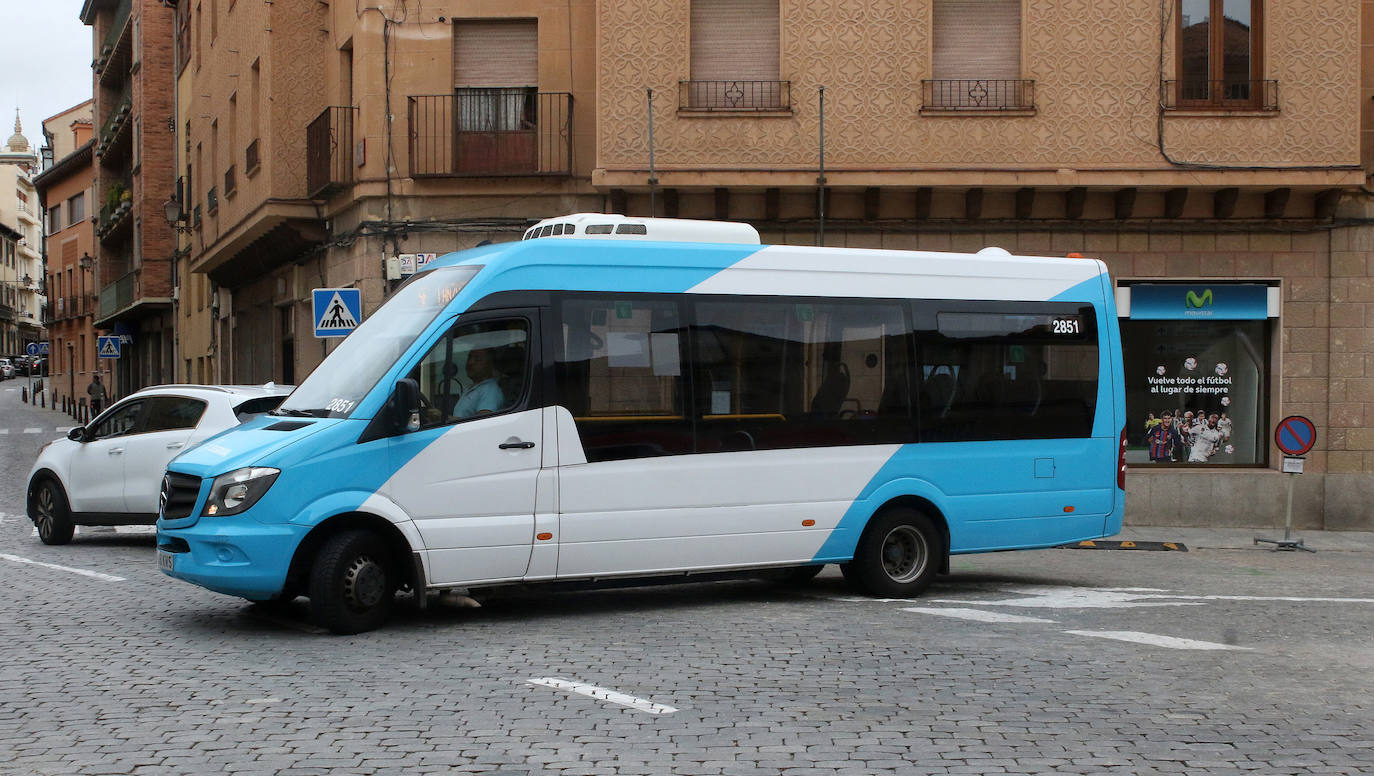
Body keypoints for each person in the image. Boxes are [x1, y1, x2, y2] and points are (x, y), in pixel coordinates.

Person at [452, 348, 504, 418]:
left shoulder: (490, 391)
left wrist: (443, 418)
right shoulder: (473, 387)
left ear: (490, 364)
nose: (470, 362)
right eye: (469, 357)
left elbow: (481, 423)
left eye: (478, 359)